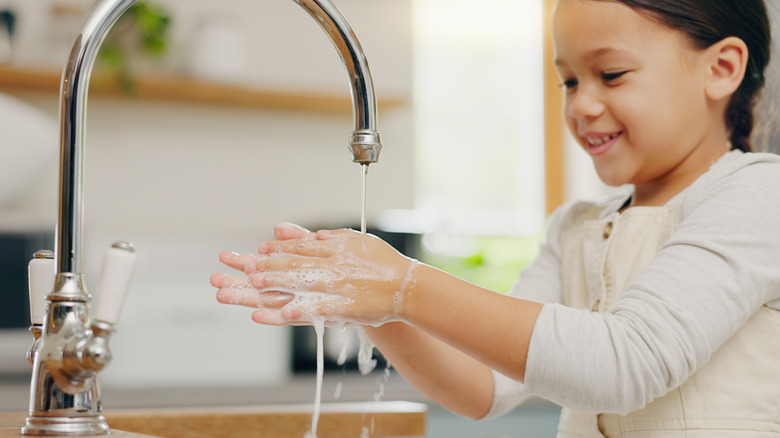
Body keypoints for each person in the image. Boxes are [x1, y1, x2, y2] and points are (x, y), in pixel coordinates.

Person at [210, 0, 780, 435]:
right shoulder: (575, 226)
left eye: (610, 76)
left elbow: (624, 361)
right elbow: (481, 388)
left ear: (722, 68)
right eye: (569, 81)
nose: (581, 104)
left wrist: (402, 284)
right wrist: (374, 305)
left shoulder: (758, 194)